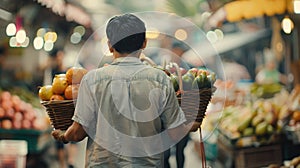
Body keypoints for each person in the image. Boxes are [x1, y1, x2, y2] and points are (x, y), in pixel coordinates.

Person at [51, 13, 200, 167]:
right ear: (144, 43)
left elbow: (78, 132)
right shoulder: (160, 79)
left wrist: (64, 136)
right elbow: (175, 132)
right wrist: (192, 125)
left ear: (110, 45)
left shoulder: (91, 80)